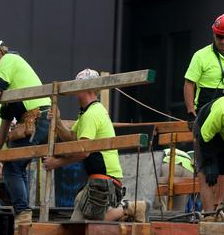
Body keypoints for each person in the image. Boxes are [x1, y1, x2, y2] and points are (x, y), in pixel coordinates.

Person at [43, 68, 147, 222]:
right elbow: (72, 138)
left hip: (105, 178)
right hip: (100, 178)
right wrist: (57, 121)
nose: (74, 90)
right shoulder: (88, 113)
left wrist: (56, 163)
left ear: (86, 87)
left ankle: (130, 207)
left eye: (77, 86)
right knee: (80, 221)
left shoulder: (91, 115)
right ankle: (127, 210)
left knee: (89, 222)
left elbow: (84, 152)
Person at [0, 36, 51, 227]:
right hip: (33, 121)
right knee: (15, 164)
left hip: (39, 120)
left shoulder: (9, 60)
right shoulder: (12, 84)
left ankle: (23, 213)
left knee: (12, 167)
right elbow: (5, 122)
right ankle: (23, 211)